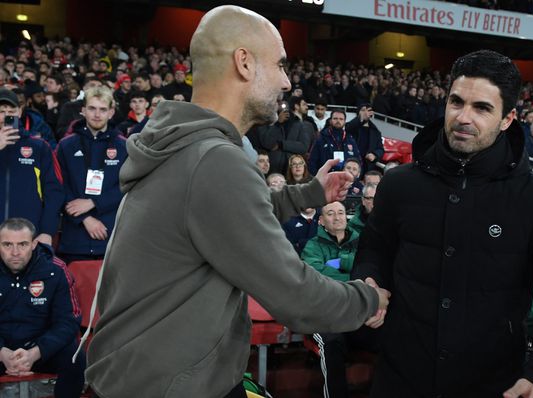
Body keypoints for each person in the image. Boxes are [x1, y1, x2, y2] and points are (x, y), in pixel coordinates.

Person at [84, 6, 389, 398]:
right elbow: (295, 296)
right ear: (244, 63)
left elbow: (230, 215)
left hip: (139, 377)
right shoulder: (215, 161)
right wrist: (368, 298)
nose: (286, 81)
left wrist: (310, 194)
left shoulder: (186, 144)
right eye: (280, 65)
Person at [352, 50, 533, 397]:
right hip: (400, 378)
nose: (464, 117)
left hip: (493, 385)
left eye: (482, 108)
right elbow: (374, 250)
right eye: (457, 102)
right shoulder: (400, 183)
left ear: (507, 119)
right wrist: (369, 280)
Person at [0, 218, 85, 398]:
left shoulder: (56, 269)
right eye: (7, 245)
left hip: (41, 348)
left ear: (34, 244)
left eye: (22, 244)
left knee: (75, 357)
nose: (15, 252)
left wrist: (35, 353)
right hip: (2, 349)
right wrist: (2, 352)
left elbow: (68, 321)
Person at [55, 86, 127, 264]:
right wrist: (84, 218)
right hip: (74, 238)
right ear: (83, 110)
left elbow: (128, 187)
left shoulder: (124, 147)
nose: (97, 114)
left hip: (111, 238)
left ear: (111, 112)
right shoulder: (66, 146)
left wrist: (94, 202)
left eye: (103, 109)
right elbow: (59, 186)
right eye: (92, 108)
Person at [300, 201, 365, 398]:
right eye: (330, 213)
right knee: (332, 342)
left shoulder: (361, 242)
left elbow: (369, 269)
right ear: (321, 221)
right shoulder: (312, 245)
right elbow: (316, 276)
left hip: (358, 309)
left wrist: (340, 263)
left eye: (341, 212)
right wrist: (353, 276)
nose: (337, 217)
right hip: (325, 312)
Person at [0, 88, 63, 246]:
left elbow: (54, 191)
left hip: (29, 236)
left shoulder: (39, 146)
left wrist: (47, 231)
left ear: (20, 112)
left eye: (11, 110)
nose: (6, 115)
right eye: (1, 111)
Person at [308, 109, 361, 174]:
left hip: (346, 178)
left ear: (345, 122)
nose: (338, 121)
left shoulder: (350, 139)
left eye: (341, 119)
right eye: (335, 118)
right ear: (330, 120)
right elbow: (312, 160)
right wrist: (317, 179)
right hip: (326, 177)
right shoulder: (321, 138)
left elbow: (358, 160)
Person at [345, 103, 384, 174]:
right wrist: (361, 119)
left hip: (367, 166)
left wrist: (375, 155)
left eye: (368, 111)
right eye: (363, 110)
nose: (365, 113)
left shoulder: (375, 131)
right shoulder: (351, 126)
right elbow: (349, 128)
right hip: (352, 164)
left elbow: (380, 149)